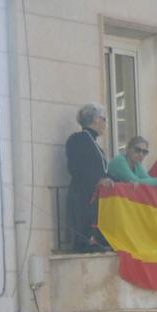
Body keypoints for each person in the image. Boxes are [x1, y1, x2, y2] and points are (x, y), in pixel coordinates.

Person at [64, 104, 109, 252]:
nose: (105, 123)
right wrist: (97, 180)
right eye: (104, 119)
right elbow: (77, 168)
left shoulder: (92, 142)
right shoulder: (79, 139)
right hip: (83, 196)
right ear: (95, 120)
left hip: (93, 196)